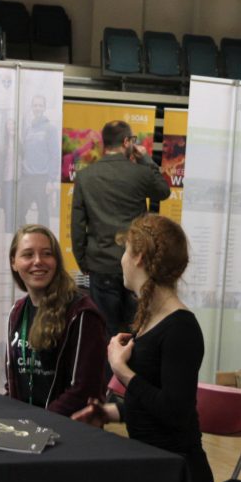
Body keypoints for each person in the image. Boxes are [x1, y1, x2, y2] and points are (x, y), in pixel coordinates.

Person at [72, 214, 241, 482]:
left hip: (176, 481)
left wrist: (121, 370)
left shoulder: (181, 327)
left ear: (140, 257)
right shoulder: (149, 319)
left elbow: (174, 411)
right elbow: (153, 403)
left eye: (126, 251)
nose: (123, 261)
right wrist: (109, 413)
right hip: (155, 471)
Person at [71, 120, 170, 340]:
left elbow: (78, 223)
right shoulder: (139, 173)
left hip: (101, 264)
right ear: (126, 141)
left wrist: (83, 262)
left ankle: (107, 375)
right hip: (137, 263)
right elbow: (163, 191)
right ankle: (130, 374)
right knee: (137, 329)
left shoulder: (85, 177)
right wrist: (144, 158)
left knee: (104, 331)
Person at [5, 224, 107, 416]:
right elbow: (13, 384)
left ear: (57, 261)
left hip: (68, 433)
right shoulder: (17, 312)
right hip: (26, 429)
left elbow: (84, 391)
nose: (38, 261)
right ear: (14, 262)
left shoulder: (82, 313)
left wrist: (38, 423)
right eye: (28, 255)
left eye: (47, 254)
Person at [16, 94, 59, 227]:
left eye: (40, 105)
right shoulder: (28, 129)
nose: (37, 108)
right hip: (27, 178)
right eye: (35, 105)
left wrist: (51, 180)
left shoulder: (50, 128)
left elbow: (54, 155)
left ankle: (43, 242)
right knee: (19, 214)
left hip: (42, 179)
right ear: (32, 107)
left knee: (43, 215)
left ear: (44, 107)